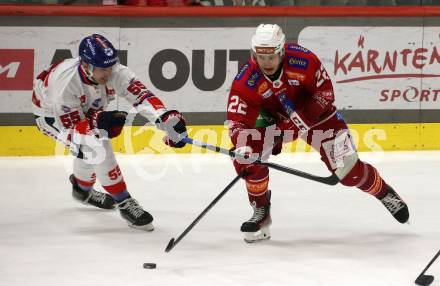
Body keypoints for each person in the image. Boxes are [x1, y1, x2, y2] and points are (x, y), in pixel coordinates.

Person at [227, 24, 409, 243]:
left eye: (272, 57)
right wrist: (242, 146)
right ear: (254, 54)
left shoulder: (303, 61)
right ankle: (261, 211)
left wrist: (298, 123)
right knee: (247, 159)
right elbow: (237, 120)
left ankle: (383, 192)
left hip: (318, 117)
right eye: (261, 57)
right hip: (276, 121)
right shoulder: (246, 79)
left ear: (282, 51)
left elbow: (325, 94)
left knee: (350, 174)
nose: (266, 63)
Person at [32, 34, 187, 231]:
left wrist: (166, 119)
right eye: (103, 69)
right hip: (50, 116)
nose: (109, 72)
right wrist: (97, 123)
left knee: (90, 147)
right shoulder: (65, 84)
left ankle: (82, 190)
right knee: (95, 144)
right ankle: (124, 201)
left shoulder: (114, 70)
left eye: (111, 66)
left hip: (84, 107)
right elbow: (70, 130)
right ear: (86, 66)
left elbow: (142, 97)